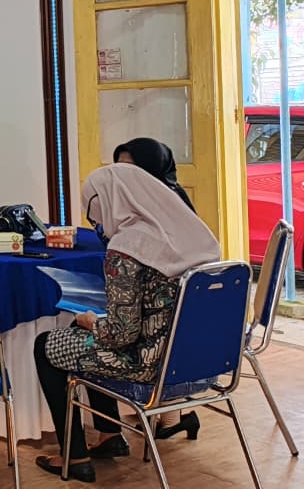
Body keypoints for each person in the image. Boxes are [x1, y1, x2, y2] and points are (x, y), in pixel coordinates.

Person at [32, 164, 220, 482]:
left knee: (46, 345)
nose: (95, 222)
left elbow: (121, 335)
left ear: (108, 201)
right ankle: (110, 436)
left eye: (93, 212)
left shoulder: (127, 247)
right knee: (82, 335)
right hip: (200, 360)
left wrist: (91, 322)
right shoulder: (197, 237)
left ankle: (74, 456)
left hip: (148, 365)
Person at [113, 137, 201, 439]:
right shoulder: (176, 204)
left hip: (163, 339)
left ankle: (110, 433)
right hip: (193, 342)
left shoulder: (158, 217)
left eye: (132, 170)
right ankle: (172, 414)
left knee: (109, 326)